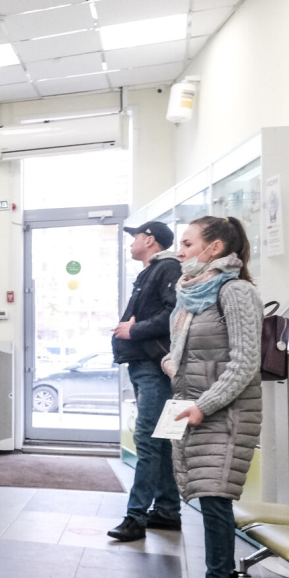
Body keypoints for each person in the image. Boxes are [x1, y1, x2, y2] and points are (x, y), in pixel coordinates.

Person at [163, 216, 262, 578]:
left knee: (215, 496)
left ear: (215, 247)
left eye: (188, 243)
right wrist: (172, 364)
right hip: (192, 408)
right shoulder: (190, 294)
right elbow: (185, 353)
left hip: (225, 413)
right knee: (204, 496)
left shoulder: (235, 292)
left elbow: (245, 362)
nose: (180, 251)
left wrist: (204, 405)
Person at [107, 221, 183, 542]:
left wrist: (133, 329)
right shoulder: (152, 270)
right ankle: (166, 511)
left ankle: (136, 517)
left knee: (149, 439)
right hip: (144, 364)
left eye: (136, 237)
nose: (131, 242)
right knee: (160, 440)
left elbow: (174, 314)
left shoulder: (167, 268)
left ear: (150, 240)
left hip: (154, 366)